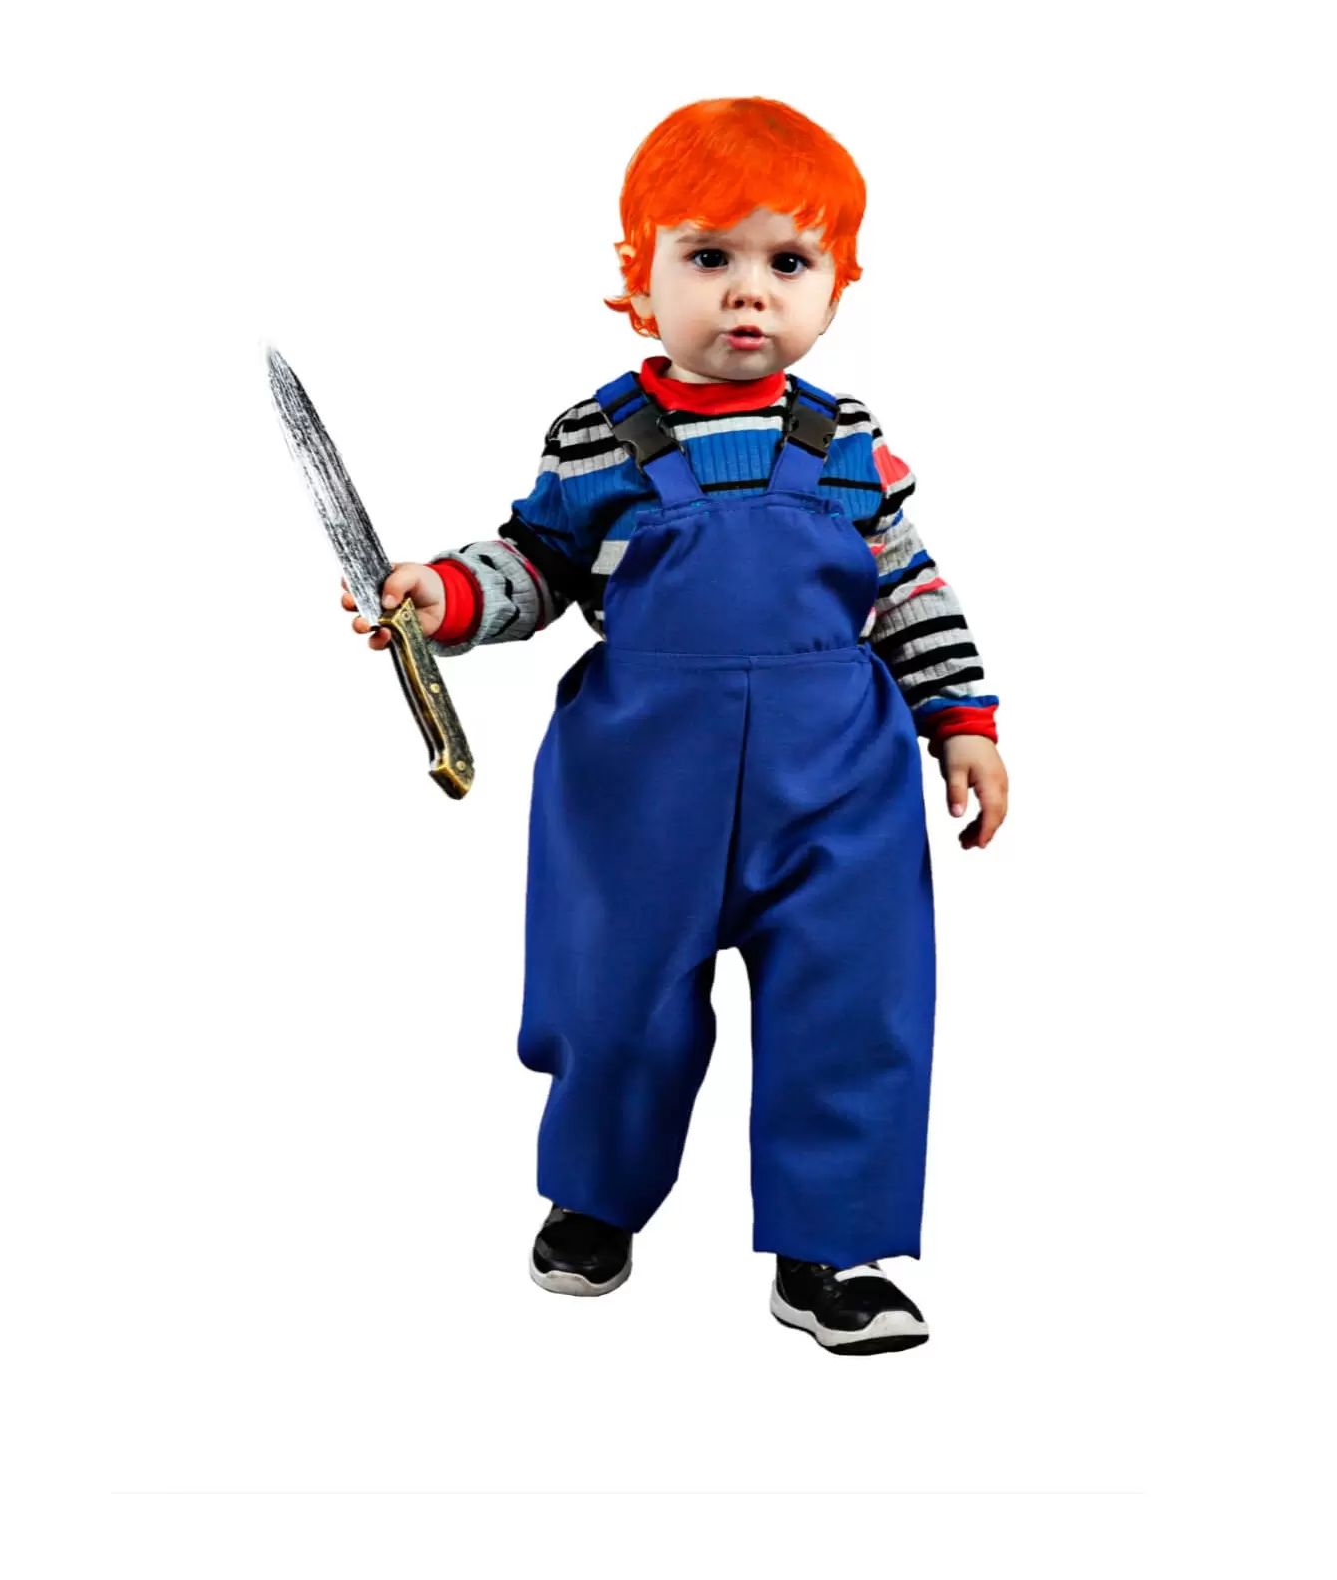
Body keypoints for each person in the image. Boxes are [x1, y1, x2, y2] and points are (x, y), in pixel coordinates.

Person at [341, 97, 1008, 1355]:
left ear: (836, 289)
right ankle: (596, 1198)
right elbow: (535, 564)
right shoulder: (597, 438)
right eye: (708, 257)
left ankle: (832, 1251)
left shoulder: (849, 443)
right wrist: (448, 597)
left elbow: (912, 588)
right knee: (615, 1001)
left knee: (855, 1006)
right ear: (639, 279)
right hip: (638, 784)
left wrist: (961, 721)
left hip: (838, 785)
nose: (748, 292)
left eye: (788, 262)